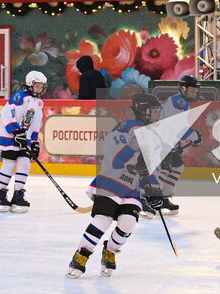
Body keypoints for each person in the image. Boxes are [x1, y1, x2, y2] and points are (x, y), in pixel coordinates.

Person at [68, 93, 160, 278]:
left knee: (128, 223)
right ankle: (81, 255)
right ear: (142, 110)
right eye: (154, 110)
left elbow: (150, 169)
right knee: (103, 220)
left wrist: (155, 190)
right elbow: (115, 156)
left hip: (132, 189)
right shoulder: (126, 127)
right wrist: (134, 153)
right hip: (111, 182)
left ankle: (109, 250)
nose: (157, 115)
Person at [0, 70, 45, 213]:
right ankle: (0, 195)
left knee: (24, 163)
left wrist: (34, 142)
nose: (39, 89)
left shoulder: (39, 103)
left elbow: (35, 125)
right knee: (9, 164)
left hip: (25, 139)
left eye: (41, 86)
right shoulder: (19, 97)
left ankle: (18, 195)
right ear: (29, 85)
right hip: (10, 137)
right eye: (37, 86)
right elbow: (7, 114)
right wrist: (16, 131)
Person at [153, 74, 204, 216]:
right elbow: (178, 126)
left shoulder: (182, 102)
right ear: (183, 88)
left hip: (168, 142)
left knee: (176, 166)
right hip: (161, 142)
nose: (194, 92)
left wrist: (193, 136)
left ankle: (163, 198)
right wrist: (194, 137)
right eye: (191, 90)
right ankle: (149, 201)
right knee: (163, 170)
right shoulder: (178, 102)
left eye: (195, 90)